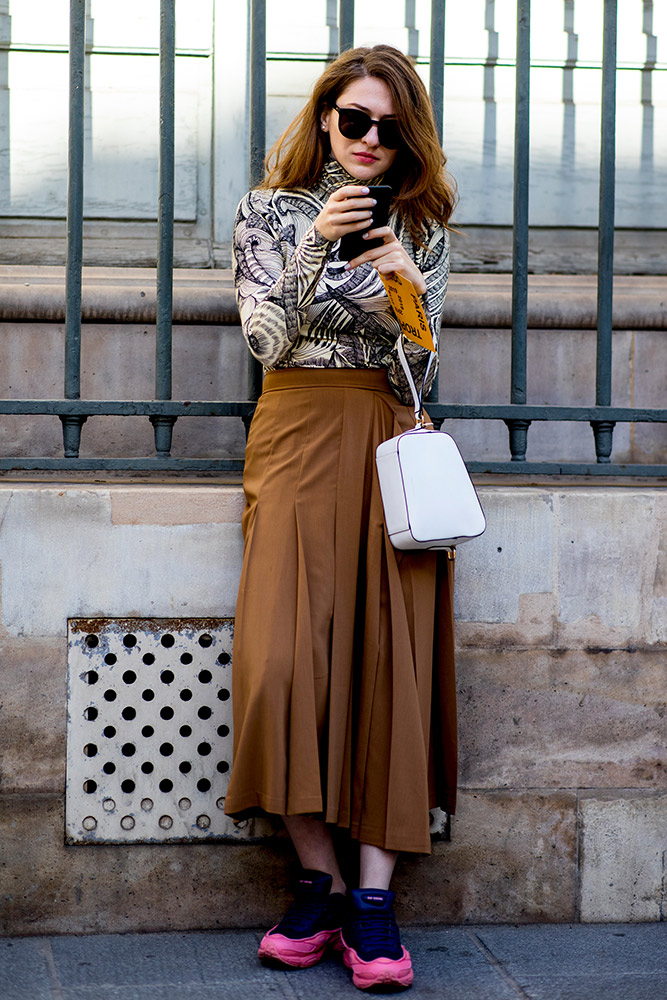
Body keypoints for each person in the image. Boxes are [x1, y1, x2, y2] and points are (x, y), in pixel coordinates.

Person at [226, 44, 458, 992]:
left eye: (387, 125)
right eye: (352, 119)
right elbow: (265, 337)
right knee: (279, 665)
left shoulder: (424, 225)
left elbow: (425, 359)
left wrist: (401, 275)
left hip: (385, 437)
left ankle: (370, 904)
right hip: (293, 434)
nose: (368, 138)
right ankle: (314, 877)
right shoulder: (268, 213)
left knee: (385, 666)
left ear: (406, 135)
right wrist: (321, 240)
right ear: (325, 118)